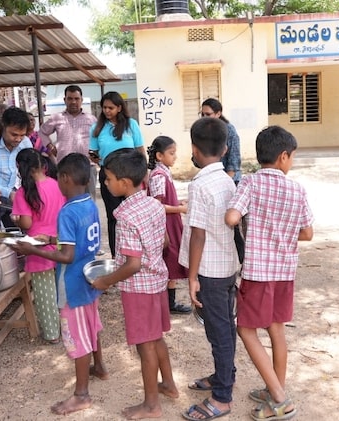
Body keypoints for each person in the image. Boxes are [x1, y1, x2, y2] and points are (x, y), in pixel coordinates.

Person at [224, 126, 313, 421]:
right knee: (276, 330)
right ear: (283, 156)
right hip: (285, 272)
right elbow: (308, 232)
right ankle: (274, 386)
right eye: (293, 157)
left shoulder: (250, 182)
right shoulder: (297, 189)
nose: (293, 162)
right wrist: (282, 232)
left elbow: (232, 217)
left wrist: (251, 225)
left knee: (245, 329)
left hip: (259, 272)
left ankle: (279, 398)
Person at [9, 153, 108, 415]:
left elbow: (67, 255)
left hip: (73, 282)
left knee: (77, 335)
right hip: (90, 277)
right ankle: (99, 366)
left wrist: (35, 250)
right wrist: (52, 237)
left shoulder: (67, 210)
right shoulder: (89, 204)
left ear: (64, 178)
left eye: (58, 179)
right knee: (91, 325)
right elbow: (77, 241)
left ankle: (81, 394)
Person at [92, 148, 179, 420]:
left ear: (125, 183)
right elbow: (164, 242)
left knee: (145, 345)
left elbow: (132, 264)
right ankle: (169, 385)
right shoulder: (154, 204)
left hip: (139, 289)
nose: (105, 183)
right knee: (156, 337)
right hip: (157, 282)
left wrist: (104, 281)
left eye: (107, 179)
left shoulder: (125, 216)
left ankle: (151, 404)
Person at [180, 117, 239, 420]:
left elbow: (198, 234)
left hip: (210, 272)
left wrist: (191, 278)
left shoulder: (200, 185)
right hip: (227, 265)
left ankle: (222, 397)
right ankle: (223, 376)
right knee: (224, 327)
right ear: (226, 147)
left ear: (194, 149)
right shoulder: (227, 180)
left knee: (219, 332)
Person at [11, 148, 65, 344]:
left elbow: (25, 224)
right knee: (62, 291)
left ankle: (52, 333)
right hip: (59, 243)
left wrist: (16, 219)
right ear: (42, 165)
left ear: (20, 168)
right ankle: (69, 327)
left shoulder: (23, 193)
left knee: (45, 296)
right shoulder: (57, 184)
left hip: (37, 249)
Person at [89, 91, 145, 258]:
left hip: (131, 176)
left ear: (119, 108)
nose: (107, 111)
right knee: (114, 216)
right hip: (109, 178)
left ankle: (137, 255)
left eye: (111, 108)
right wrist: (100, 162)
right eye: (104, 107)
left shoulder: (131, 125)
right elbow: (93, 153)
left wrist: (145, 173)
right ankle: (117, 257)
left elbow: (140, 149)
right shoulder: (97, 128)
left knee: (135, 214)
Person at [146, 136, 191, 315]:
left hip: (171, 223)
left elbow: (166, 200)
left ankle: (169, 302)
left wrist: (179, 202)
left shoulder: (164, 173)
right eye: (171, 153)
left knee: (171, 263)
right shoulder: (158, 176)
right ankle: (164, 303)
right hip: (165, 226)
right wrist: (179, 208)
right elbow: (157, 206)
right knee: (168, 261)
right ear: (159, 155)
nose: (175, 157)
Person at [200, 98, 244, 262]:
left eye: (209, 114)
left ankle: (242, 259)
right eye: (203, 114)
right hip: (210, 182)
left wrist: (225, 184)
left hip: (229, 182)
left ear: (218, 113)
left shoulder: (229, 131)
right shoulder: (203, 129)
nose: (205, 117)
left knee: (232, 225)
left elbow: (233, 162)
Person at [38, 85, 98, 198]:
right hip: (64, 167)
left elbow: (98, 140)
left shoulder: (92, 119)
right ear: (64, 100)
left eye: (76, 99)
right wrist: (50, 146)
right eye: (70, 98)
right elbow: (41, 132)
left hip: (87, 166)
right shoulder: (57, 118)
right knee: (64, 199)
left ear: (82, 100)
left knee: (88, 199)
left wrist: (95, 156)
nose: (73, 102)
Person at [0, 106, 33, 228]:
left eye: (22, 135)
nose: (18, 139)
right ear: (3, 127)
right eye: (14, 134)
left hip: (16, 197)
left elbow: (31, 171)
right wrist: (8, 193)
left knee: (15, 232)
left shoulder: (25, 143)